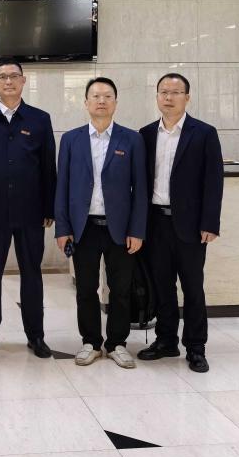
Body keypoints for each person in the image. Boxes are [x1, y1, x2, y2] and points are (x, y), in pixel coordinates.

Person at [54, 77, 146, 369]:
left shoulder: (131, 139)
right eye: (95, 96)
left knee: (120, 290)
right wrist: (62, 228)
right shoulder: (71, 139)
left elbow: (140, 189)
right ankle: (91, 342)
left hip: (120, 228)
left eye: (107, 96)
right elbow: (62, 186)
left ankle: (117, 343)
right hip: (84, 228)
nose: (101, 100)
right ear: (86, 103)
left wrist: (137, 230)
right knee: (86, 289)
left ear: (116, 103)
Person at [138, 73, 223, 373]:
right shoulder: (145, 134)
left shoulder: (204, 133)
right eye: (163, 92)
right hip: (155, 223)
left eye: (175, 92)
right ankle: (166, 341)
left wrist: (210, 222)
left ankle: (196, 347)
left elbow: (214, 181)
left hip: (191, 225)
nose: (169, 97)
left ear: (187, 97)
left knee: (193, 287)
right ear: (157, 97)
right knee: (162, 286)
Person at [0, 59, 56, 359]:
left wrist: (49, 207)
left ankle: (36, 335)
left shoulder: (40, 119)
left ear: (23, 81)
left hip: (30, 211)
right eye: (2, 77)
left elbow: (48, 166)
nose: (8, 81)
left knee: (32, 273)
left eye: (14, 76)